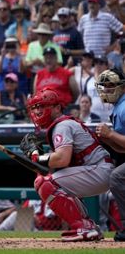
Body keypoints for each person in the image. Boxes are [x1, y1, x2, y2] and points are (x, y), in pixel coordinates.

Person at [20, 88, 114, 241]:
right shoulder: (63, 124)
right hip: (97, 170)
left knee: (44, 183)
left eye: (43, 106)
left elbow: (62, 159)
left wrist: (38, 157)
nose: (38, 111)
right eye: (36, 107)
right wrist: (39, 157)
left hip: (98, 170)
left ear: (57, 108)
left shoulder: (62, 125)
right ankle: (89, 227)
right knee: (53, 182)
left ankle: (84, 227)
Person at [95, 68, 125, 242]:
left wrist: (111, 135)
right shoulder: (118, 106)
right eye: (104, 86)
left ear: (122, 87)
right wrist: (107, 140)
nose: (106, 90)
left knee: (116, 177)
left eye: (111, 86)